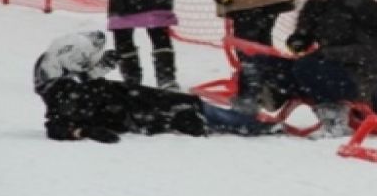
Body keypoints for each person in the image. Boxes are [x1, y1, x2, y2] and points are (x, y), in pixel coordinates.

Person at [34, 31, 281, 143]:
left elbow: (85, 91)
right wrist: (84, 132)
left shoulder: (66, 83)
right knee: (198, 111)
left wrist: (100, 68)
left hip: (142, 104)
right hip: (145, 110)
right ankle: (258, 125)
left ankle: (254, 123)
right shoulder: (64, 92)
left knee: (195, 108)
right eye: (86, 60)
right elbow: (55, 125)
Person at [284, 0, 377, 138]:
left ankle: (335, 120)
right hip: (329, 66)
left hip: (358, 75)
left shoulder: (360, 7)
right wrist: (298, 40)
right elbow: (304, 34)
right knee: (277, 65)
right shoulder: (316, 6)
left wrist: (326, 54)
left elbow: (368, 51)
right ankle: (256, 105)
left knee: (308, 67)